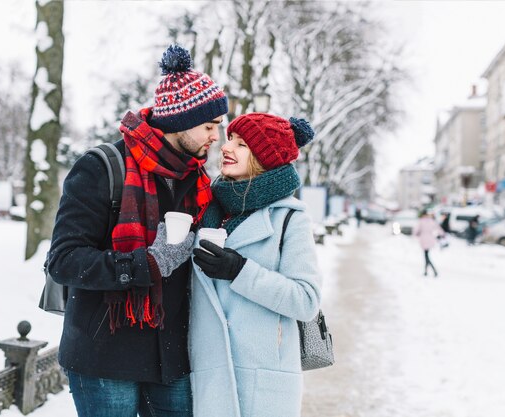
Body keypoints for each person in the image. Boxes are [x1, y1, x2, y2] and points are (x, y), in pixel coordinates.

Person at [46, 45, 228, 417]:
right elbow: (63, 261)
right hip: (105, 359)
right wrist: (146, 263)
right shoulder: (102, 168)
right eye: (210, 126)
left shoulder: (197, 180)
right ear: (180, 121)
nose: (216, 137)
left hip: (172, 358)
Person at [189, 113, 322, 417]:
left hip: (262, 383)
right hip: (206, 374)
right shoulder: (206, 207)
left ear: (264, 158)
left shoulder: (290, 219)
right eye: (229, 139)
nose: (226, 147)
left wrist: (240, 271)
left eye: (242, 144)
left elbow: (306, 300)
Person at [413, 210, 443, 277]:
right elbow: (438, 228)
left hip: (424, 239)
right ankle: (426, 271)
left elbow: (416, 231)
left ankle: (434, 270)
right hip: (430, 239)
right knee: (426, 255)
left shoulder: (421, 221)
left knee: (426, 256)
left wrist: (416, 235)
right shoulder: (431, 221)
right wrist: (442, 234)